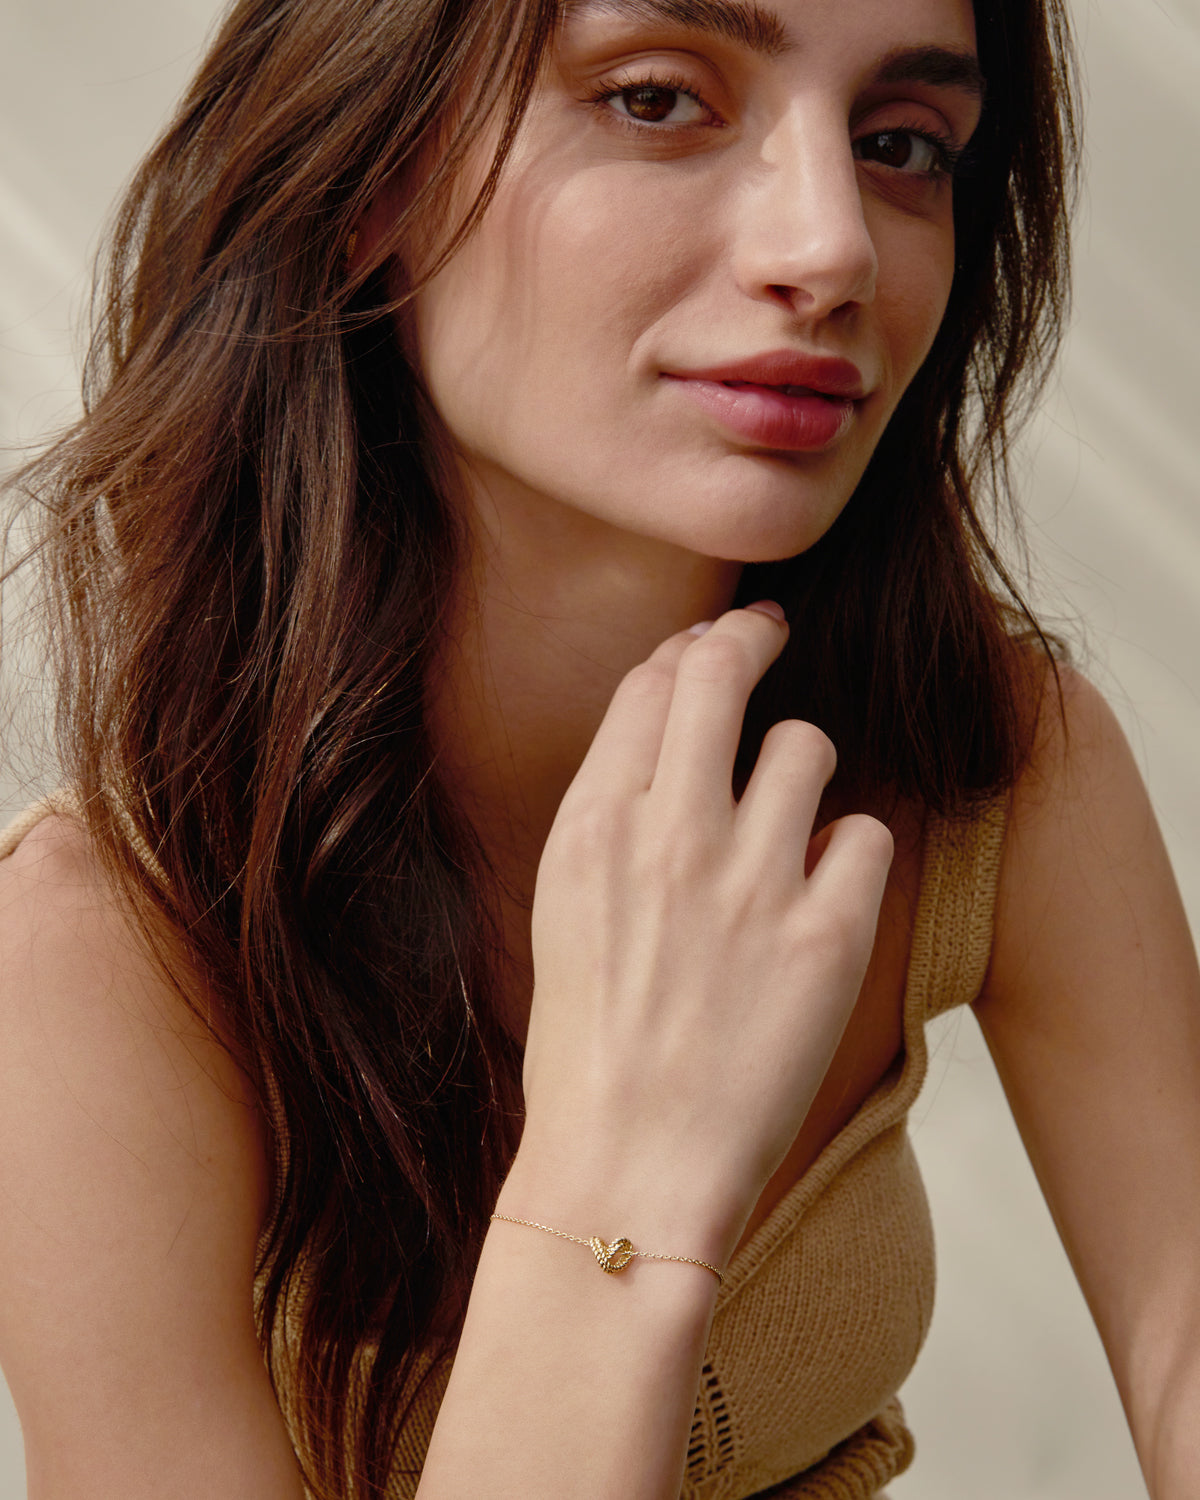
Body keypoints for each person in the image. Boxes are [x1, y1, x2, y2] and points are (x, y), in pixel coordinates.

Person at [0, 0, 1197, 1496]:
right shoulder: (106, 948)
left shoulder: (998, 755)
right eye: (655, 99)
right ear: (366, 182)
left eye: (901, 145)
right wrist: (625, 1177)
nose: (832, 247)